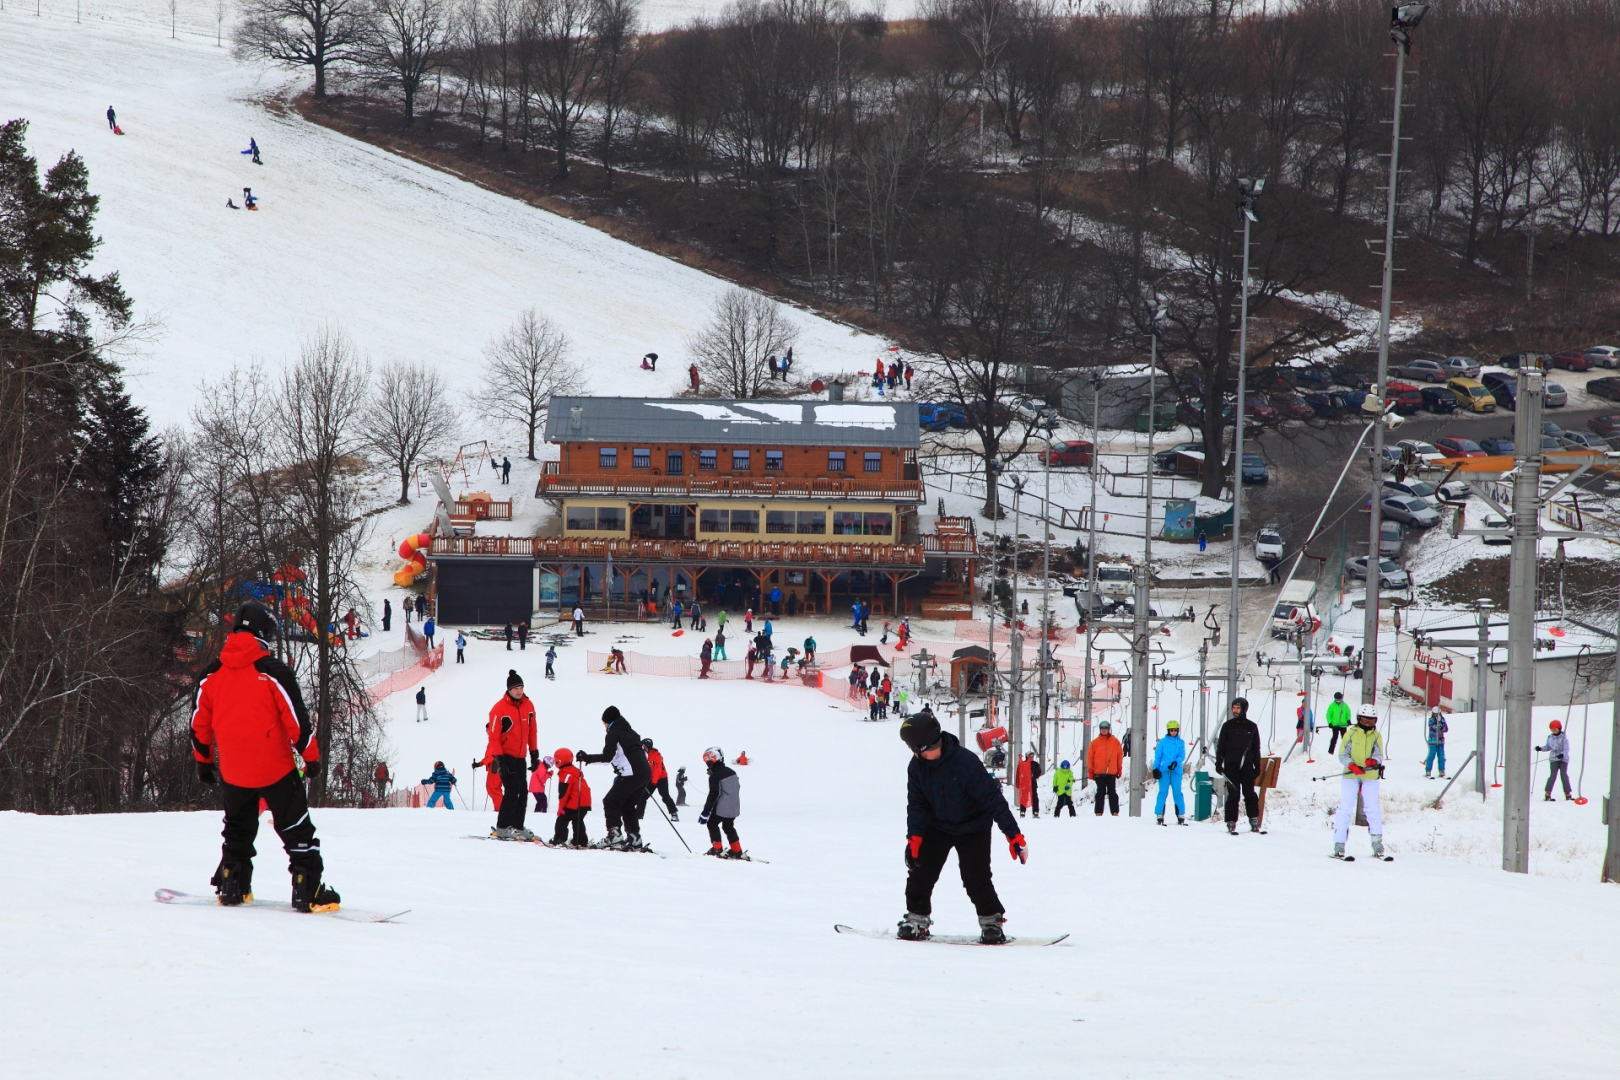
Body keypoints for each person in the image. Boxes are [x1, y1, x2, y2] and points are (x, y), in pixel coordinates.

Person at [190, 601, 339, 912]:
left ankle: (232, 882)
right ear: (262, 633)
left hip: (233, 771)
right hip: (275, 769)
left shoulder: (211, 674)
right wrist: (311, 758)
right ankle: (307, 889)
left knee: (237, 829)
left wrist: (203, 762)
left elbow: (199, 724)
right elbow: (297, 722)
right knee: (296, 828)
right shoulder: (272, 671)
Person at [897, 713, 1027, 945]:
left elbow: (993, 800)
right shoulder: (917, 767)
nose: (913, 753)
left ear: (923, 744)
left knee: (975, 876)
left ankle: (991, 922)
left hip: (973, 826)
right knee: (921, 871)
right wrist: (914, 840)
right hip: (937, 825)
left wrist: (1013, 834)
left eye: (913, 747)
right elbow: (916, 805)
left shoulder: (965, 763)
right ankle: (917, 918)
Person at [577, 706, 652, 850]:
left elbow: (607, 757)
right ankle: (634, 838)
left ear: (608, 721)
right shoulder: (631, 732)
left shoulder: (613, 734)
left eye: (604, 723)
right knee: (627, 805)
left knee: (610, 801)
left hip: (631, 774)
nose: (604, 726)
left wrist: (586, 758)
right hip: (644, 773)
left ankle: (614, 835)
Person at [480, 669, 539, 840]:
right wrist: (499, 759)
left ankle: (517, 826)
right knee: (513, 790)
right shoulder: (499, 708)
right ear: (508, 690)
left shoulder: (529, 705)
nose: (519, 691)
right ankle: (503, 827)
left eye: (521, 687)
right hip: (505, 755)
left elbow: (532, 731)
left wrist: (534, 754)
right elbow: (494, 736)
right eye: (515, 688)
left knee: (523, 791)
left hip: (521, 756)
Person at [1334, 707, 1389, 860]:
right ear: (1359, 719)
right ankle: (1339, 844)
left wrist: (1374, 761)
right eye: (1364, 720)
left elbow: (1379, 755)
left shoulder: (1376, 736)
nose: (1367, 723)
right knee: (1345, 808)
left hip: (1370, 775)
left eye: (1371, 720)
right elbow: (1342, 754)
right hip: (1351, 775)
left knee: (1372, 808)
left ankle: (1377, 844)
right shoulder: (1350, 734)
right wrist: (1351, 765)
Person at [1216, 697, 1263, 835]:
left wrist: (1257, 765)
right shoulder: (1227, 726)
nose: (1235, 711)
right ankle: (1231, 821)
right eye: (1233, 708)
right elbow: (1221, 746)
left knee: (1249, 792)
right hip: (1231, 765)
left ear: (1244, 709)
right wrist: (1219, 762)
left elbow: (1256, 748)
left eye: (1237, 708)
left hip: (1247, 765)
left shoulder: (1252, 726)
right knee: (1233, 794)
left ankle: (1253, 819)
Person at [699, 747, 744, 857]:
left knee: (712, 823)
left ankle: (717, 849)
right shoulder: (731, 772)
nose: (707, 764)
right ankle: (736, 850)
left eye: (708, 762)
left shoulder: (715, 776)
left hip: (722, 807)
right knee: (728, 826)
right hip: (734, 807)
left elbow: (714, 794)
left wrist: (706, 812)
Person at [550, 748, 591, 848]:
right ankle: (580, 840)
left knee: (562, 820)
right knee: (577, 820)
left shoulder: (566, 774)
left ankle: (559, 840)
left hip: (575, 802)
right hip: (585, 802)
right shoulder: (575, 771)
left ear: (559, 761)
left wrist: (561, 807)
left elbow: (564, 793)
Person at [1153, 720, 1187, 825]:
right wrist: (1155, 768)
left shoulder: (1181, 742)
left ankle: (1180, 814)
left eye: (1175, 730)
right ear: (1168, 731)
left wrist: (1176, 763)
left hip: (1176, 770)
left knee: (1177, 792)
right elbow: (1158, 756)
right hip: (1164, 770)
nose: (1173, 732)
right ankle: (1159, 814)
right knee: (1163, 792)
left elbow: (1182, 755)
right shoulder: (1162, 742)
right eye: (1171, 730)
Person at [1086, 719, 1123, 816]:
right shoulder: (1095, 743)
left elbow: (1119, 755)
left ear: (1108, 729)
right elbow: (1090, 757)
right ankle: (1098, 812)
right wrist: (1091, 770)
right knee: (1100, 792)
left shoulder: (1115, 742)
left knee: (1112, 792)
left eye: (1105, 728)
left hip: (1111, 772)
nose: (1103, 730)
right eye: (1102, 728)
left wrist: (1119, 768)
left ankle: (1115, 812)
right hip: (1099, 772)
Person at [1538, 719, 1572, 801]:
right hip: (1554, 758)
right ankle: (1548, 793)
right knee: (1553, 775)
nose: (1554, 731)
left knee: (1564, 775)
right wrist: (1541, 748)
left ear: (1559, 728)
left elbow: (1566, 749)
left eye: (1555, 729)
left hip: (1563, 759)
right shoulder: (1550, 737)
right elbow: (1548, 747)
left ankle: (1567, 793)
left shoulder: (1564, 738)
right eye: (1552, 730)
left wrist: (1562, 754)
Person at [644, 739, 678, 819]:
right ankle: (638, 815)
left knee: (665, 796)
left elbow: (658, 770)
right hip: (651, 779)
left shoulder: (657, 755)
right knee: (643, 796)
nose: (643, 748)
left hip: (661, 778)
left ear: (648, 746)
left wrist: (654, 782)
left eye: (644, 746)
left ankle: (674, 814)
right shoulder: (644, 755)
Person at [1425, 707, 1449, 779]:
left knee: (1441, 756)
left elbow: (1446, 729)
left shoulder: (1442, 719)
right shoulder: (1431, 720)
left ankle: (1441, 770)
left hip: (1440, 741)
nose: (1436, 715)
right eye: (1435, 714)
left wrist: (1442, 726)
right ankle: (1428, 770)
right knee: (1431, 755)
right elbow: (1432, 727)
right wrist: (1438, 725)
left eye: (1437, 714)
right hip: (1433, 741)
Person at [1015, 751, 1041, 818]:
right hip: (1025, 784)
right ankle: (1023, 811)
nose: (1031, 758)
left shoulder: (1035, 764)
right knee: (1024, 797)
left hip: (1033, 784)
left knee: (1034, 797)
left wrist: (1033, 777)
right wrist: (1019, 782)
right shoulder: (1023, 764)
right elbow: (1018, 773)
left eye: (1032, 756)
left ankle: (1035, 811)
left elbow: (1039, 772)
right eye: (1030, 756)